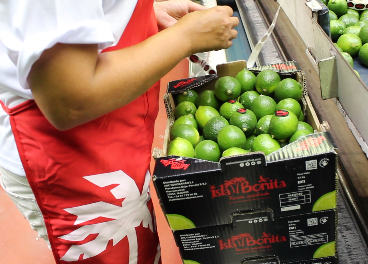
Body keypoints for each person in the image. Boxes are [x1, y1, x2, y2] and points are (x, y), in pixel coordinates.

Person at [0, 0, 238, 263]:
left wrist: (137, 16)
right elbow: (70, 99)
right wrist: (185, 37)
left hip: (109, 140)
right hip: (68, 158)